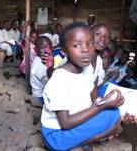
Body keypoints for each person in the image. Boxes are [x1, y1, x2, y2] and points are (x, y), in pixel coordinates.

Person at [41, 22, 124, 151]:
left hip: (72, 125)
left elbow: (90, 100)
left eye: (90, 43)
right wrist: (102, 105)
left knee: (114, 112)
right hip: (56, 136)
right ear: (64, 51)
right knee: (111, 117)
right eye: (77, 45)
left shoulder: (86, 70)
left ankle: (85, 140)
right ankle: (84, 141)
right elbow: (65, 123)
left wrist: (109, 100)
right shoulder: (60, 79)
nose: (85, 49)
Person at [30, 36, 54, 104]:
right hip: (41, 97)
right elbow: (49, 86)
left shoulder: (43, 60)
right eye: (43, 48)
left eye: (49, 47)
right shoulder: (39, 65)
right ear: (36, 49)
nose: (47, 50)